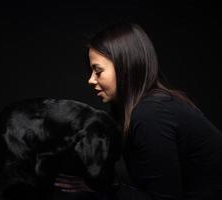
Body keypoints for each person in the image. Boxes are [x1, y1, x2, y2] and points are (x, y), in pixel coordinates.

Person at [56, 20, 222, 199]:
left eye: (98, 71)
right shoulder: (139, 109)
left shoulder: (152, 114)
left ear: (125, 68)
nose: (91, 80)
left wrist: (103, 188)